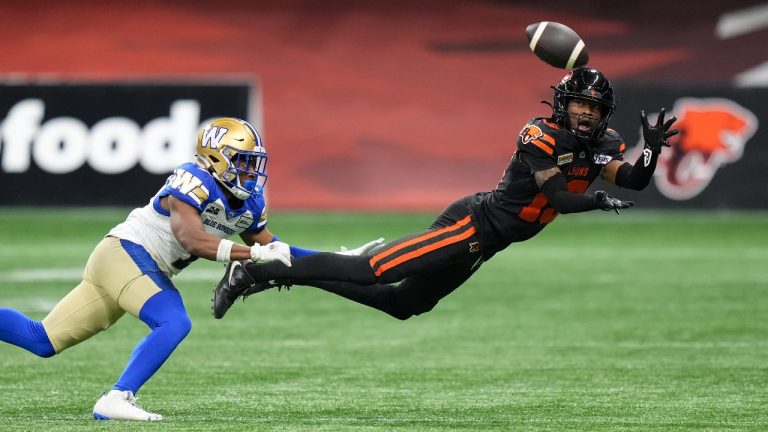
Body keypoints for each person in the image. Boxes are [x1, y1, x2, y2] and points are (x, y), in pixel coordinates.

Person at [211, 67, 679, 323]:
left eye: (592, 108)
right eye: (579, 104)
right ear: (563, 103)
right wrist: (596, 202)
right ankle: (255, 268)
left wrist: (652, 156)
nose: (584, 113)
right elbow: (557, 197)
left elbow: (632, 178)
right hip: (472, 224)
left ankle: (278, 274)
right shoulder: (541, 134)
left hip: (489, 242)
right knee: (369, 270)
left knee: (402, 305)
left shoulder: (601, 143)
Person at [0, 117, 379, 421]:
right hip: (125, 253)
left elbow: (274, 249)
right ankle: (117, 397)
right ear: (216, 158)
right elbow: (193, 240)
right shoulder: (192, 179)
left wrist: (336, 257)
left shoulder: (248, 202)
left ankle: (116, 397)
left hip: (130, 263)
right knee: (174, 321)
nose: (251, 172)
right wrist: (250, 257)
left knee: (42, 340)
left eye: (253, 164)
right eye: (243, 162)